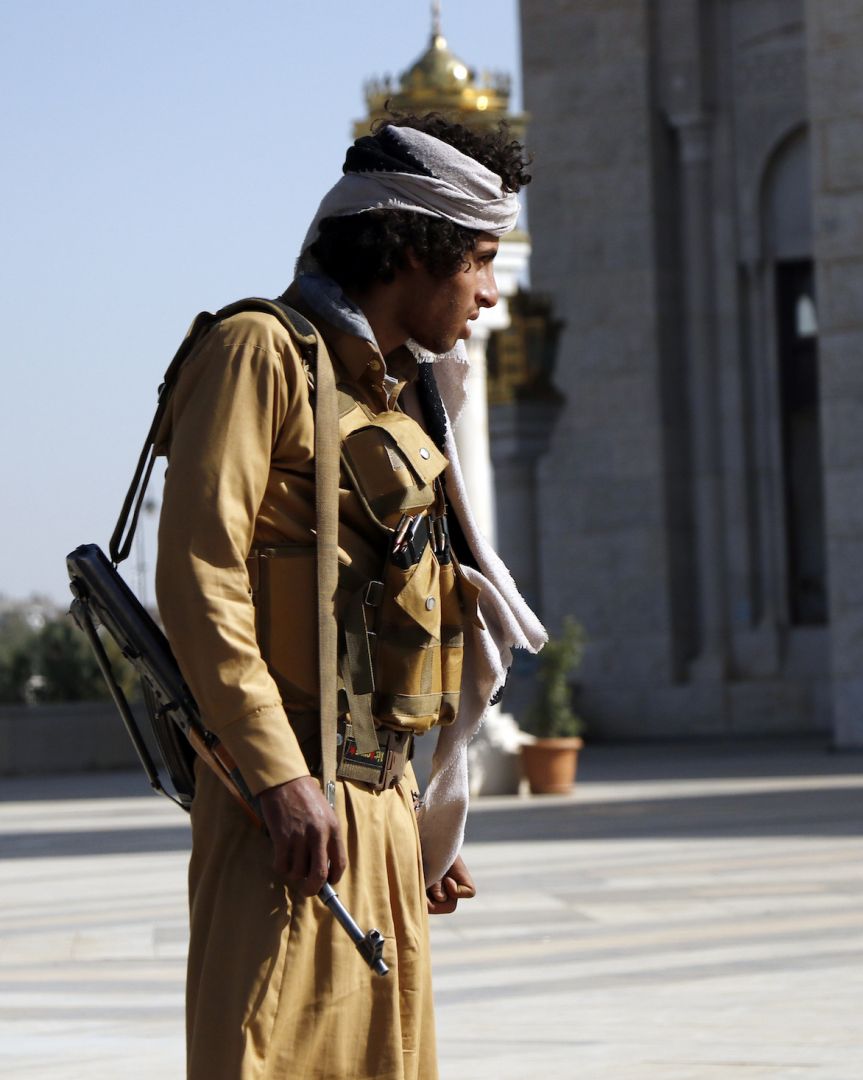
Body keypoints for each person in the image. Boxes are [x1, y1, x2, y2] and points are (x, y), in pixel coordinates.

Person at [155, 114, 546, 1080]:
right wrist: (281, 779)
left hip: (377, 818)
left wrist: (418, 818)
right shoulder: (261, 354)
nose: (492, 293)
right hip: (280, 814)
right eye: (481, 261)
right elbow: (199, 573)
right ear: (415, 246)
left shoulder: (397, 395)